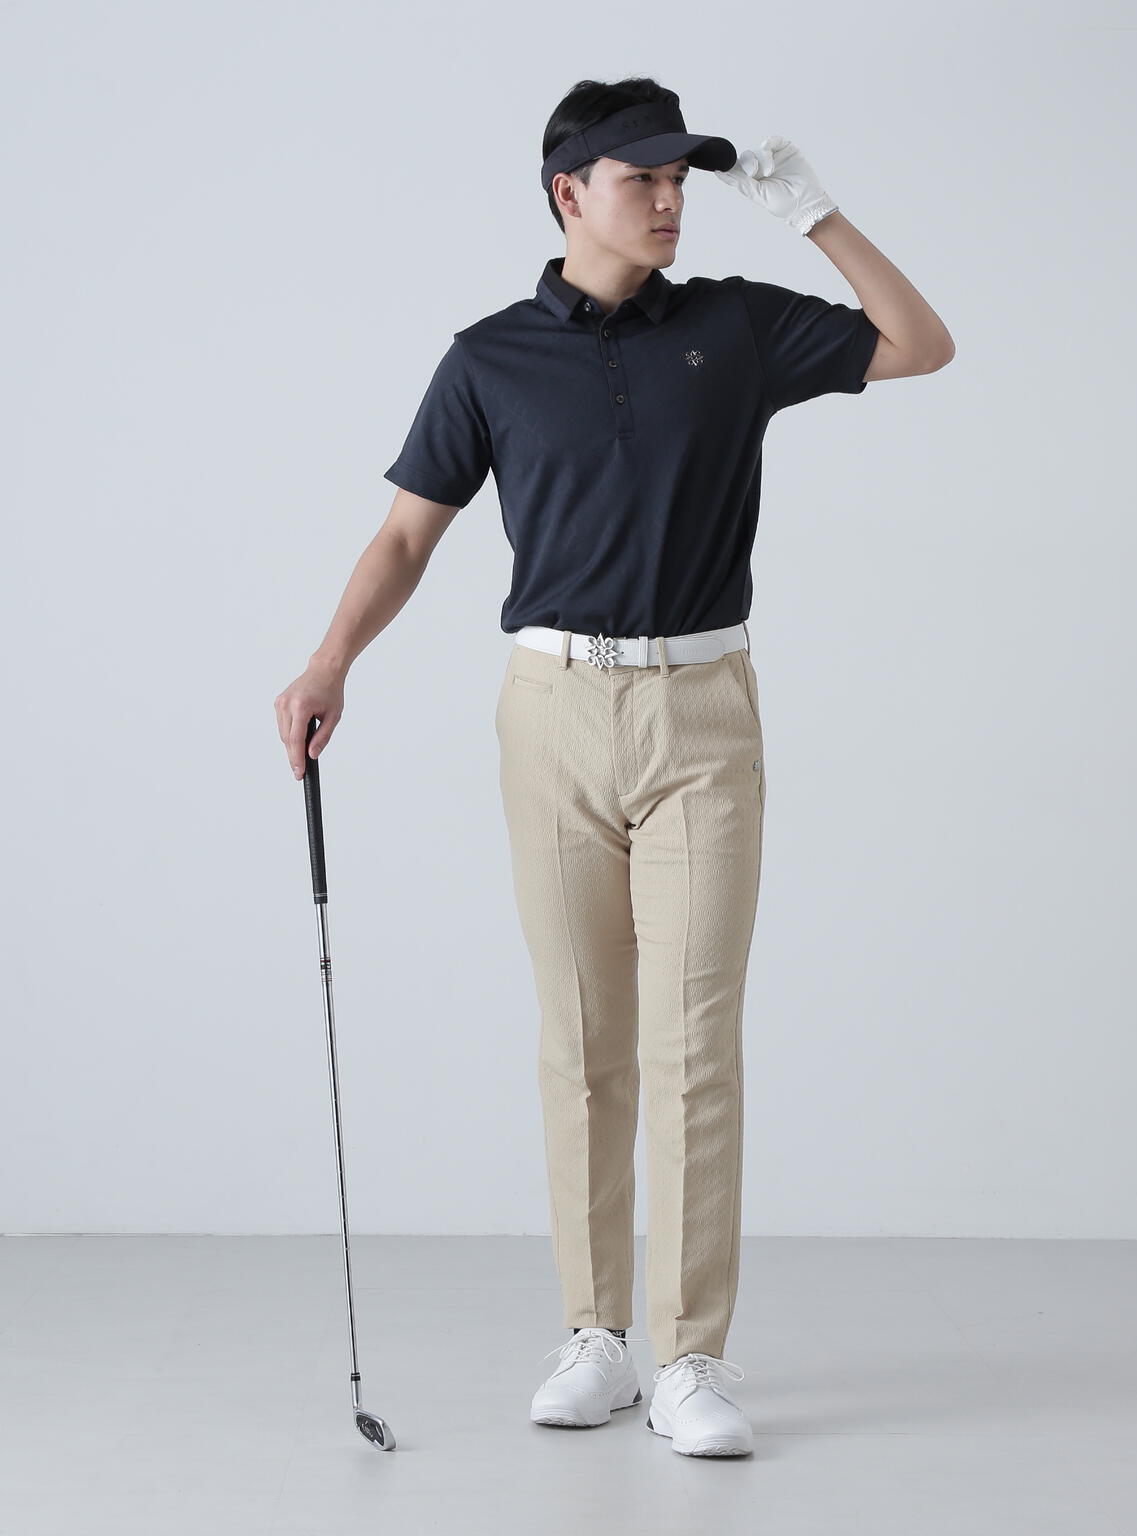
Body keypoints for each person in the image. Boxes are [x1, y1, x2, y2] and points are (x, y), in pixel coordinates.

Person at [274, 74, 955, 1459]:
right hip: (552, 714)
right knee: (583, 1038)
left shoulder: (734, 327)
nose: (668, 199)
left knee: (695, 1039)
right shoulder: (489, 357)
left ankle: (692, 1355)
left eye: (680, 179)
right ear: (567, 192)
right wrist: (331, 660)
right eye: (641, 177)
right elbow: (406, 536)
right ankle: (597, 1335)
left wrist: (816, 216)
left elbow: (919, 343)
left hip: (703, 710)